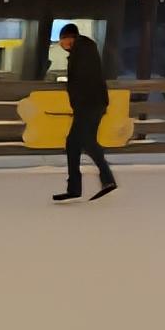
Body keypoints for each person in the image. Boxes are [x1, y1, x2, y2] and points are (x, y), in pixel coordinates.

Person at [54, 23, 117, 202]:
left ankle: (105, 179)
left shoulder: (82, 51)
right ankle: (79, 186)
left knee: (82, 141)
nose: (62, 44)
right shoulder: (83, 50)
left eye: (63, 40)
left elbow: (83, 78)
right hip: (91, 103)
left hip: (89, 104)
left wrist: (78, 100)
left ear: (70, 37)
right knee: (77, 142)